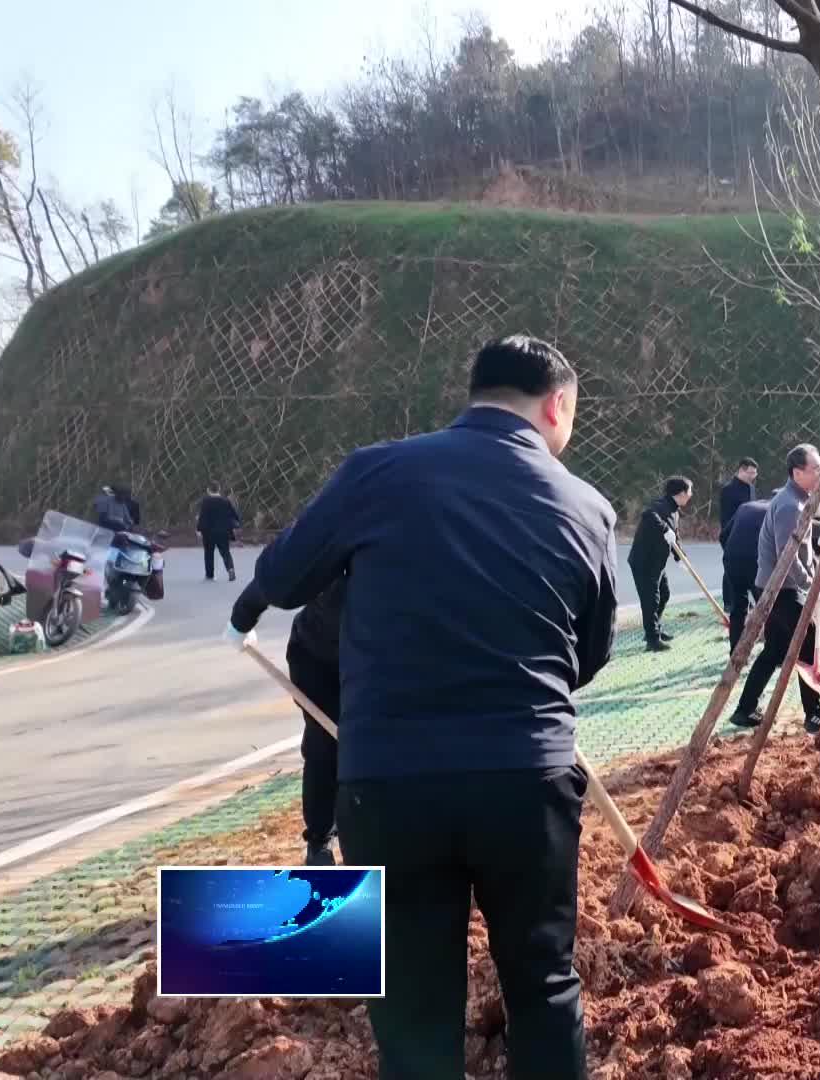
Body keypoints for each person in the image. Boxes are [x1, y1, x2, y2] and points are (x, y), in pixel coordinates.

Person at [221, 334, 616, 1080]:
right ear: (556, 406)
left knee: (412, 1001)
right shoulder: (586, 507)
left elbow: (283, 574)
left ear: (475, 397)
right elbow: (587, 659)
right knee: (542, 982)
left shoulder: (377, 471)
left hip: (391, 784)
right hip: (525, 784)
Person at [230, 572, 346, 865]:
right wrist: (242, 617)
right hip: (319, 655)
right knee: (325, 746)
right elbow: (285, 564)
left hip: (385, 657)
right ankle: (320, 843)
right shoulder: (340, 526)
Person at [730, 444, 820, 733]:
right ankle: (814, 713)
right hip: (780, 589)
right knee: (809, 640)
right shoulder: (791, 504)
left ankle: (745, 709)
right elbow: (786, 557)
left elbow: (800, 549)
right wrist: (812, 587)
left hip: (778, 586)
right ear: (798, 472)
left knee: (775, 649)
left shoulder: (799, 499)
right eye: (816, 469)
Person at [627, 476, 692, 652]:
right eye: (689, 491)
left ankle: (655, 628)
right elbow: (648, 514)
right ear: (680, 493)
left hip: (657, 563)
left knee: (664, 594)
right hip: (644, 561)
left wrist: (681, 559)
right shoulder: (660, 505)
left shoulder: (674, 510)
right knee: (651, 600)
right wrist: (664, 529)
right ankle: (652, 639)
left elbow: (674, 538)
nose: (690, 495)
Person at [721, 499, 769, 654]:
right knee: (768, 608)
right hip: (756, 563)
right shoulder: (779, 510)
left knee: (738, 608)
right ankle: (772, 652)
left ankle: (735, 652)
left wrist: (734, 553)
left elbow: (723, 536)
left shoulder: (746, 506)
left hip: (732, 561)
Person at [195, 485, 242, 582]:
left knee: (209, 553)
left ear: (208, 490)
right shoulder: (225, 501)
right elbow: (234, 515)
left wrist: (199, 529)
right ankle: (230, 569)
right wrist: (235, 525)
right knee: (225, 552)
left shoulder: (205, 501)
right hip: (223, 532)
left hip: (208, 532)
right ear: (219, 489)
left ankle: (210, 575)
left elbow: (202, 517)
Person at [719, 459, 759, 545]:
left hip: (751, 539)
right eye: (750, 473)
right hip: (734, 539)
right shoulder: (728, 490)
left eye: (754, 473)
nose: (753, 476)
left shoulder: (751, 488)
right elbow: (725, 520)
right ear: (741, 470)